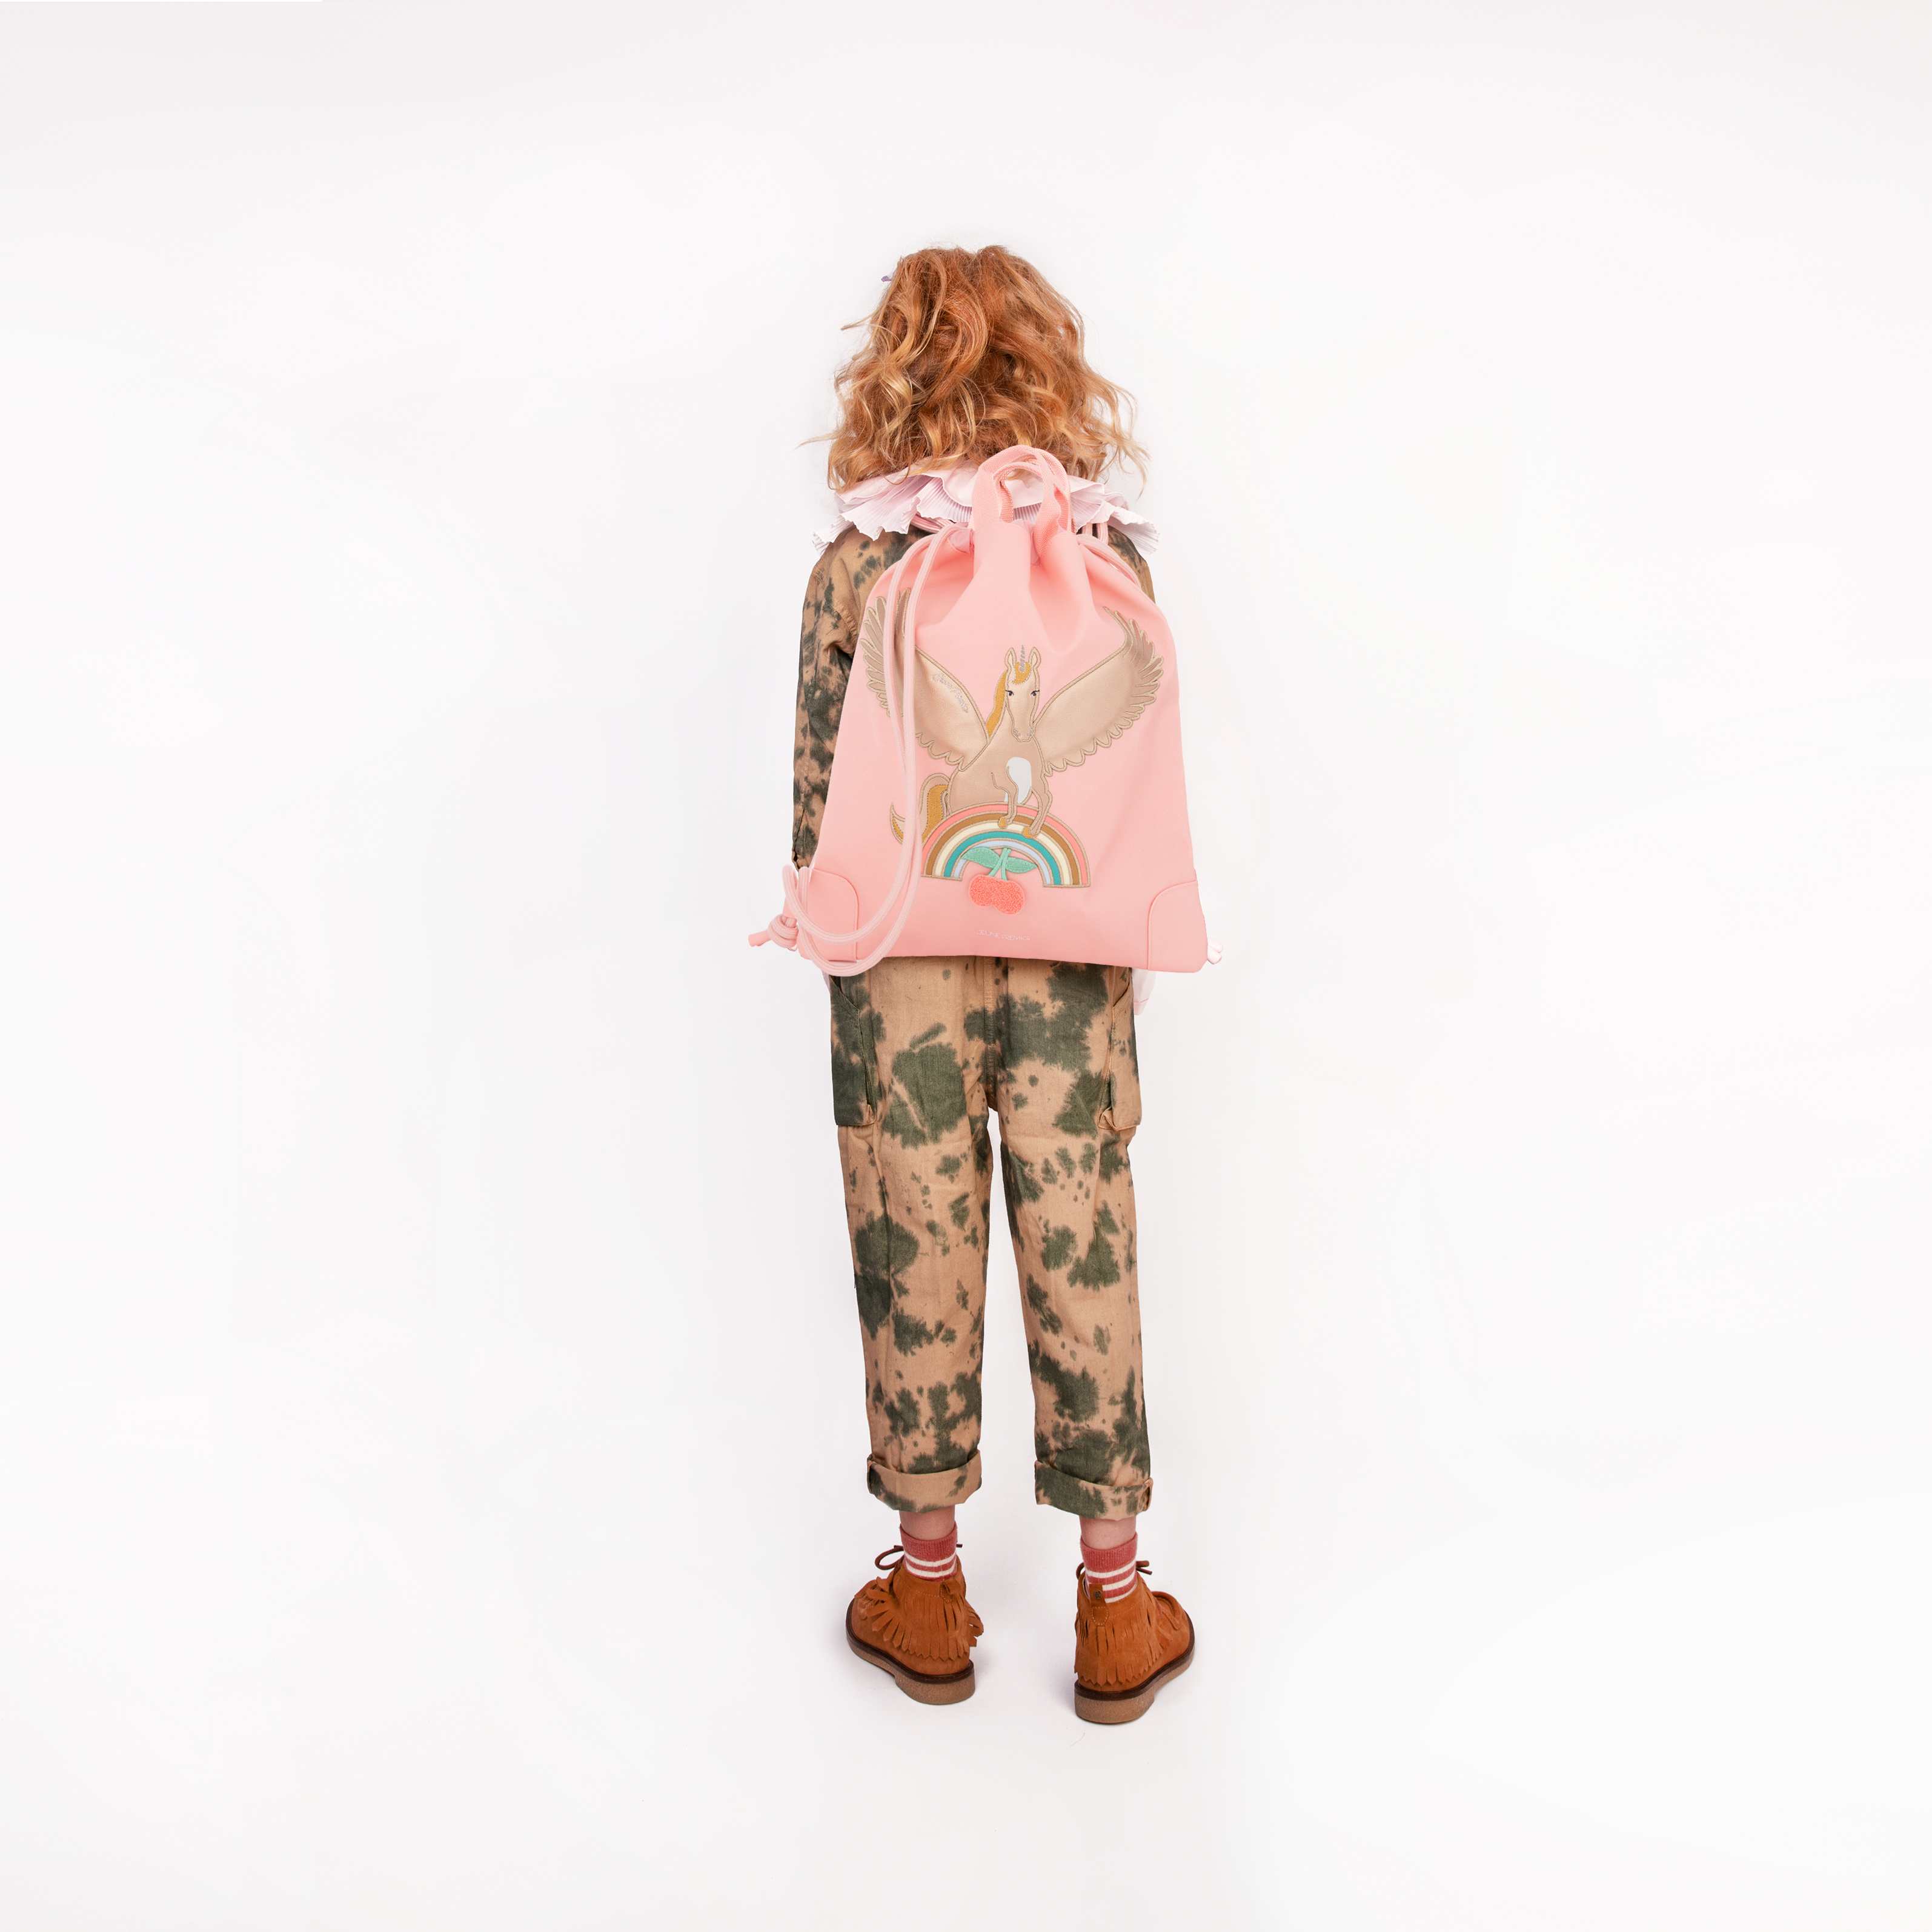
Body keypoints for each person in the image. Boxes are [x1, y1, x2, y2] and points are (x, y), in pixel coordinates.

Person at [789, 245, 1194, 1724]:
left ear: (889, 374)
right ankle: (1114, 1603)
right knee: (1082, 1228)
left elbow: (820, 801)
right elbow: (1133, 789)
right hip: (1072, 956)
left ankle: (926, 1586)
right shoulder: (1106, 562)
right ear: (1050, 371)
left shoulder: (860, 565)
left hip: (899, 952)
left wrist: (835, 943)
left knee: (915, 1226)